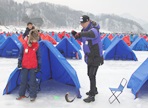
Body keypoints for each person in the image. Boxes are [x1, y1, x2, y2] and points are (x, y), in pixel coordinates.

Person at [71, 15, 104, 103]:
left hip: (96, 56)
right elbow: (83, 40)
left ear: (88, 21)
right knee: (89, 74)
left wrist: (80, 34)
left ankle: (92, 95)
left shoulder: (94, 28)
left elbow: (92, 34)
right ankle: (94, 90)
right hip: (89, 56)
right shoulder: (84, 30)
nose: (82, 25)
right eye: (81, 23)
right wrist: (77, 36)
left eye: (84, 23)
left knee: (92, 75)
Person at [16, 29, 41, 102]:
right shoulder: (24, 45)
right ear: (31, 38)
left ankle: (33, 95)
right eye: (34, 39)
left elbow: (39, 56)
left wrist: (39, 65)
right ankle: (21, 94)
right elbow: (21, 54)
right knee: (23, 81)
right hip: (24, 66)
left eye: (36, 40)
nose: (35, 41)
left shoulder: (37, 46)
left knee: (32, 81)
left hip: (33, 66)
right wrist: (19, 62)